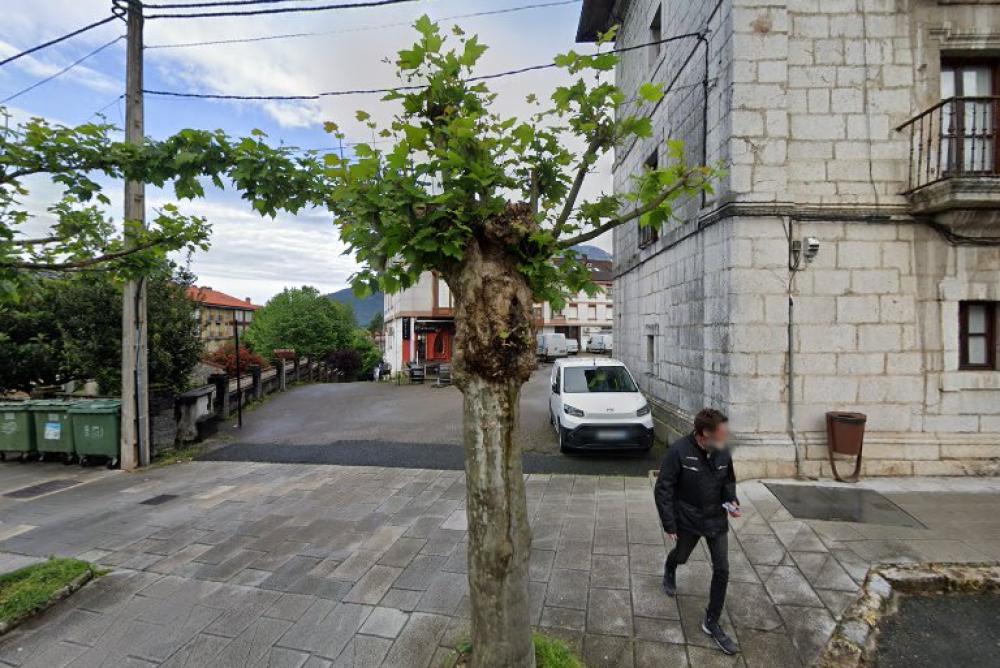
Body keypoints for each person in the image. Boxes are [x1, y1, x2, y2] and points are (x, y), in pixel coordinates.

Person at [653, 408, 741, 655]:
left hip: (716, 520)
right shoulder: (679, 451)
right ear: (705, 433)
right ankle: (670, 567)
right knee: (681, 556)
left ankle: (711, 621)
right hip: (688, 519)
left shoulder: (723, 449)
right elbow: (663, 488)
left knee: (722, 569)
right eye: (721, 433)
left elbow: (728, 480)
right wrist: (670, 524)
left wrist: (731, 500)